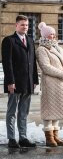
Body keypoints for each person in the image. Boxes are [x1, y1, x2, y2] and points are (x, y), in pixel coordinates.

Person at [1, 15, 39, 148]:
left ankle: (23, 137)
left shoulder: (30, 40)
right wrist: (10, 82)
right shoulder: (9, 41)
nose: (25, 27)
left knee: (24, 112)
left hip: (27, 83)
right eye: (22, 25)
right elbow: (7, 63)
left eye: (27, 25)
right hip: (15, 83)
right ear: (16, 25)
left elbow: (32, 62)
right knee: (12, 111)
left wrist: (35, 79)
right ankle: (12, 139)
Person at [36, 22, 63, 147]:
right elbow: (46, 67)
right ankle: (49, 137)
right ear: (44, 36)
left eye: (53, 34)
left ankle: (56, 136)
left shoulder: (58, 47)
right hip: (50, 83)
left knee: (57, 109)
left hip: (61, 83)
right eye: (49, 34)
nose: (52, 36)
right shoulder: (41, 49)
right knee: (49, 110)